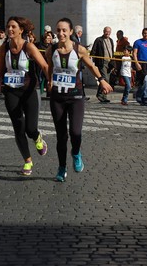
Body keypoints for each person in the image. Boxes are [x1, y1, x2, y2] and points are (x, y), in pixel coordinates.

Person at [47, 18, 113, 182]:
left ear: (70, 32)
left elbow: (91, 66)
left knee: (75, 132)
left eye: (64, 30)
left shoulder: (79, 50)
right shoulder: (51, 50)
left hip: (76, 96)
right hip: (57, 97)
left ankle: (76, 152)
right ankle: (62, 168)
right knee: (61, 136)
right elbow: (48, 66)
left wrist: (102, 80)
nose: (61, 33)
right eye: (58, 30)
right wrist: (49, 81)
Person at [0, 16, 49, 176]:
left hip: (29, 91)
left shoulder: (29, 47)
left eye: (13, 27)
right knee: (18, 128)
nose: (10, 29)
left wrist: (50, 82)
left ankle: (37, 137)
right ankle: (27, 161)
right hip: (12, 91)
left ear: (21, 30)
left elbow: (44, 65)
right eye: (8, 27)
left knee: (30, 128)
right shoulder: (3, 48)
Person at [90, 26, 115, 103]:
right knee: (105, 79)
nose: (107, 33)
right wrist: (92, 61)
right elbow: (93, 50)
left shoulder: (110, 40)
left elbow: (112, 51)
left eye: (109, 32)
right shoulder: (99, 40)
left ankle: (102, 96)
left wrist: (113, 62)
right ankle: (101, 96)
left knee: (106, 80)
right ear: (103, 31)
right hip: (102, 62)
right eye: (106, 31)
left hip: (109, 62)